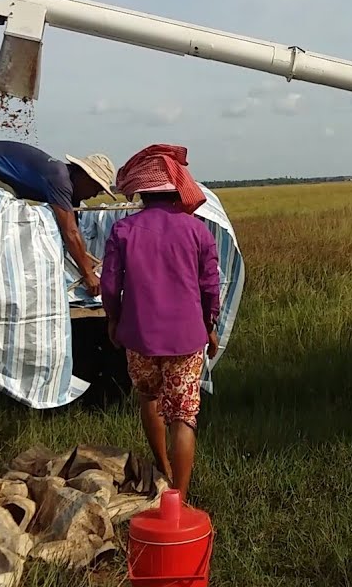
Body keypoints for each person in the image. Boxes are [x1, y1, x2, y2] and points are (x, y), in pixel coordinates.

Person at [100, 144, 220, 503]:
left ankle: (162, 469)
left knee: (149, 397)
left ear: (140, 192)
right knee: (183, 417)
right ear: (175, 190)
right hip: (186, 338)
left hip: (138, 335)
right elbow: (209, 286)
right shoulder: (197, 231)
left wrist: (114, 320)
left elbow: (110, 285)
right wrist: (209, 325)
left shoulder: (123, 230)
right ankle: (178, 500)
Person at [0, 140, 116, 296]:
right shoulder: (60, 179)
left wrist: (90, 265)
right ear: (84, 176)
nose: (95, 194)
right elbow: (70, 233)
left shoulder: (69, 187)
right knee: (5, 209)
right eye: (96, 187)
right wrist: (88, 274)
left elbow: (74, 231)